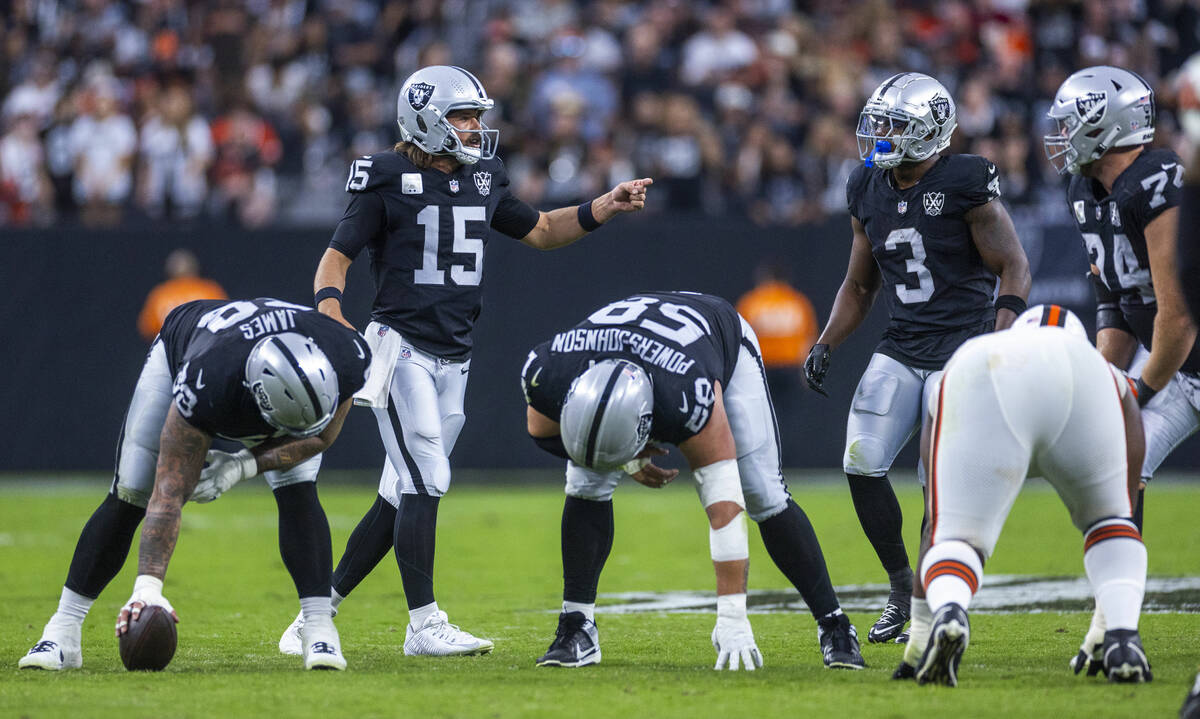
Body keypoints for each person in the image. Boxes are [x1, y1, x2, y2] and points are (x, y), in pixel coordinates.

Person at [278, 65, 653, 658]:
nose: (476, 128)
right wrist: (331, 312)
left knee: (400, 494)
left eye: (478, 116)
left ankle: (316, 613)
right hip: (400, 348)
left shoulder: (483, 180)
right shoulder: (387, 178)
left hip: (455, 356)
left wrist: (604, 205)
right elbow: (334, 262)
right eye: (463, 116)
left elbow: (544, 230)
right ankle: (423, 625)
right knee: (429, 475)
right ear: (425, 119)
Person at [19, 298, 370, 672]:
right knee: (132, 490)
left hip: (264, 360)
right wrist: (148, 588)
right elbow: (169, 487)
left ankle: (319, 628)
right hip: (187, 350)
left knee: (298, 484)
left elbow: (320, 437)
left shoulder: (347, 352)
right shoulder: (209, 378)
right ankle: (63, 631)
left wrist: (241, 466)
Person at [803, 72, 1031, 644]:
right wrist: (826, 342)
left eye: (894, 126)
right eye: (878, 124)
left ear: (929, 131)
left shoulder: (964, 180)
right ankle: (900, 587)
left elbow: (1014, 267)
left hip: (961, 348)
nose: (880, 136)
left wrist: (997, 342)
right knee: (861, 460)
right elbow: (859, 287)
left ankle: (934, 603)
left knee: (937, 482)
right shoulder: (866, 185)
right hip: (903, 346)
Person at [522, 291, 863, 671]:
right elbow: (542, 430)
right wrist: (623, 461)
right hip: (625, 350)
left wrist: (732, 617)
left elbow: (724, 506)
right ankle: (577, 626)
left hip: (717, 337)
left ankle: (834, 624)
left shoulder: (687, 391)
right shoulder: (551, 370)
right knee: (586, 478)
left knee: (763, 493)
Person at [896, 305, 1149, 686]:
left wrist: (917, 641)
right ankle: (1124, 640)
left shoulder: (979, 350)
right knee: (1110, 522)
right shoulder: (1097, 364)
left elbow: (934, 517)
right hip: (1084, 378)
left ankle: (950, 611)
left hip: (988, 372)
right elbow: (1127, 504)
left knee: (956, 537)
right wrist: (1106, 622)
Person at [1043, 65, 1200, 532]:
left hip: (1181, 349)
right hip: (1179, 365)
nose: (1063, 135)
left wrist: (1138, 390)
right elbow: (1113, 297)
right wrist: (1105, 380)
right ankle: (1120, 595)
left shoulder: (1155, 183)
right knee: (1115, 471)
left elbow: (1177, 317)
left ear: (1104, 124)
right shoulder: (1086, 190)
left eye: (1071, 122)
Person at [735, 261, 817, 457]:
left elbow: (740, 338)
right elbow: (808, 340)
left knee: (758, 415)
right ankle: (786, 458)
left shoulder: (753, 301)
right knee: (787, 417)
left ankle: (760, 456)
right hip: (789, 366)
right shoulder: (797, 302)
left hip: (761, 366)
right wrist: (807, 371)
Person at [137, 249, 228, 342]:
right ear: (194, 268)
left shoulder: (160, 294)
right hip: (204, 348)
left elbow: (147, 329)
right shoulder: (209, 290)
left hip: (171, 350)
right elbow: (227, 321)